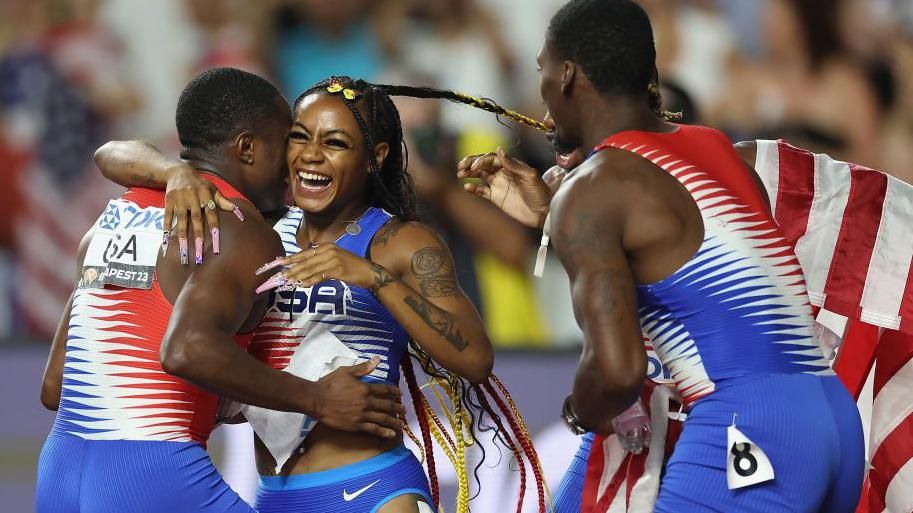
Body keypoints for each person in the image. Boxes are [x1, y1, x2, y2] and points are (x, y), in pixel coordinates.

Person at [458, 1, 865, 511]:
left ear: (565, 76)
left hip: (748, 426)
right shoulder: (717, 149)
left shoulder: (593, 188)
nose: (540, 97)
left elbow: (617, 370)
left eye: (542, 70)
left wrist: (575, 414)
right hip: (833, 420)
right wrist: (554, 218)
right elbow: (678, 264)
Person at [94, 76, 549, 513]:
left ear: (375, 156)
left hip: (372, 487)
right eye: (299, 137)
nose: (310, 156)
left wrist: (373, 277)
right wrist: (173, 171)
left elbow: (474, 358)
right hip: (274, 493)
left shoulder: (401, 243)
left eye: (334, 143)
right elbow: (114, 154)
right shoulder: (258, 228)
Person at [37, 68, 404, 513]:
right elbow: (187, 350)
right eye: (283, 142)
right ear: (247, 147)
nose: (291, 166)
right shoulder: (236, 224)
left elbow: (55, 386)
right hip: (154, 475)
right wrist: (318, 398)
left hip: (61, 471)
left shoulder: (111, 220)